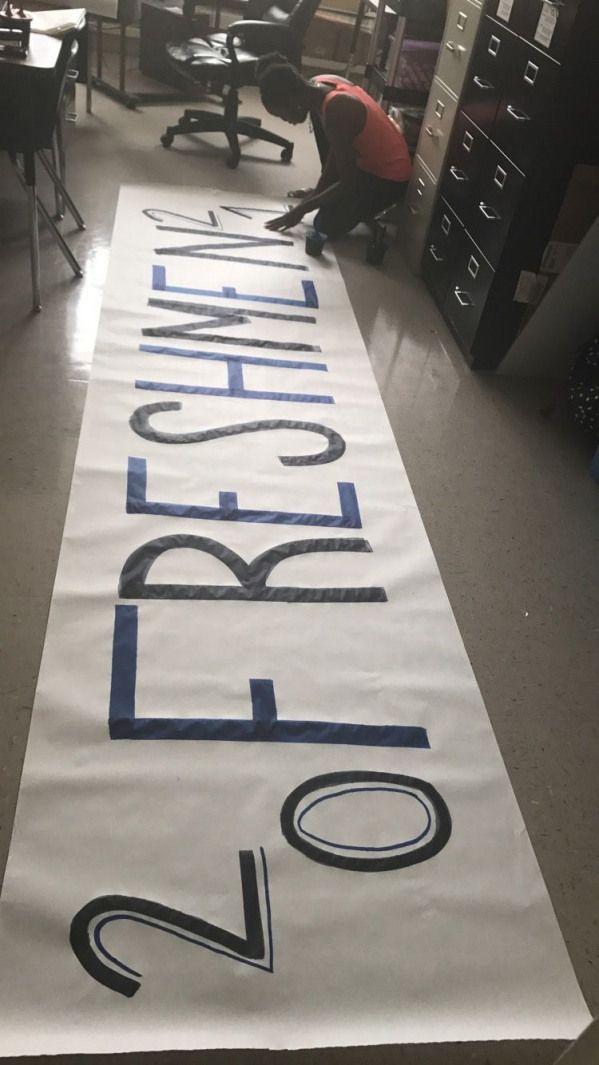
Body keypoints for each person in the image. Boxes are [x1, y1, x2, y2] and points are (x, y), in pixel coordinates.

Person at [254, 53, 412, 239]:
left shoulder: (337, 110)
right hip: (364, 161)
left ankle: (369, 208)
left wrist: (301, 210)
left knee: (325, 224)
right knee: (325, 198)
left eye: (282, 115)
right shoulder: (320, 83)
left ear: (291, 101)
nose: (286, 121)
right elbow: (334, 159)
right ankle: (335, 196)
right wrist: (316, 194)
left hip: (389, 179)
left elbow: (348, 182)